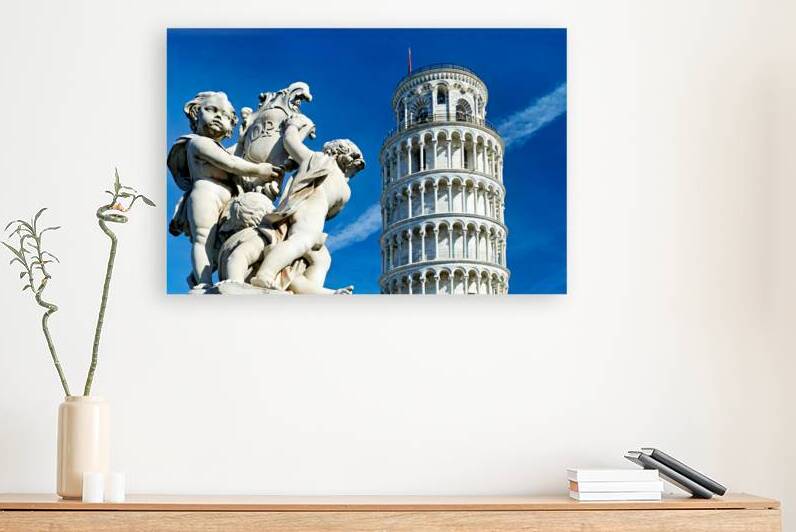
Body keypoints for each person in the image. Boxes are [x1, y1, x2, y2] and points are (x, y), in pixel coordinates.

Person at [167, 91, 283, 288]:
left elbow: (235, 154)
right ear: (196, 113)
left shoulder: (218, 147)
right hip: (206, 193)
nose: (219, 117)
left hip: (228, 199)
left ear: (231, 126)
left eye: (226, 116)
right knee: (203, 239)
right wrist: (259, 169)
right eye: (211, 110)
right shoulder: (198, 142)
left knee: (218, 246)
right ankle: (203, 283)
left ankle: (197, 276)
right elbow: (231, 163)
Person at [250, 114, 365, 291]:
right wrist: (293, 126)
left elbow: (333, 211)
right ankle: (265, 274)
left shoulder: (345, 186)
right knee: (302, 241)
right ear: (339, 153)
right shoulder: (320, 160)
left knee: (322, 257)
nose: (355, 166)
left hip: (318, 216)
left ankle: (312, 292)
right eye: (353, 158)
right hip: (310, 207)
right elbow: (291, 142)